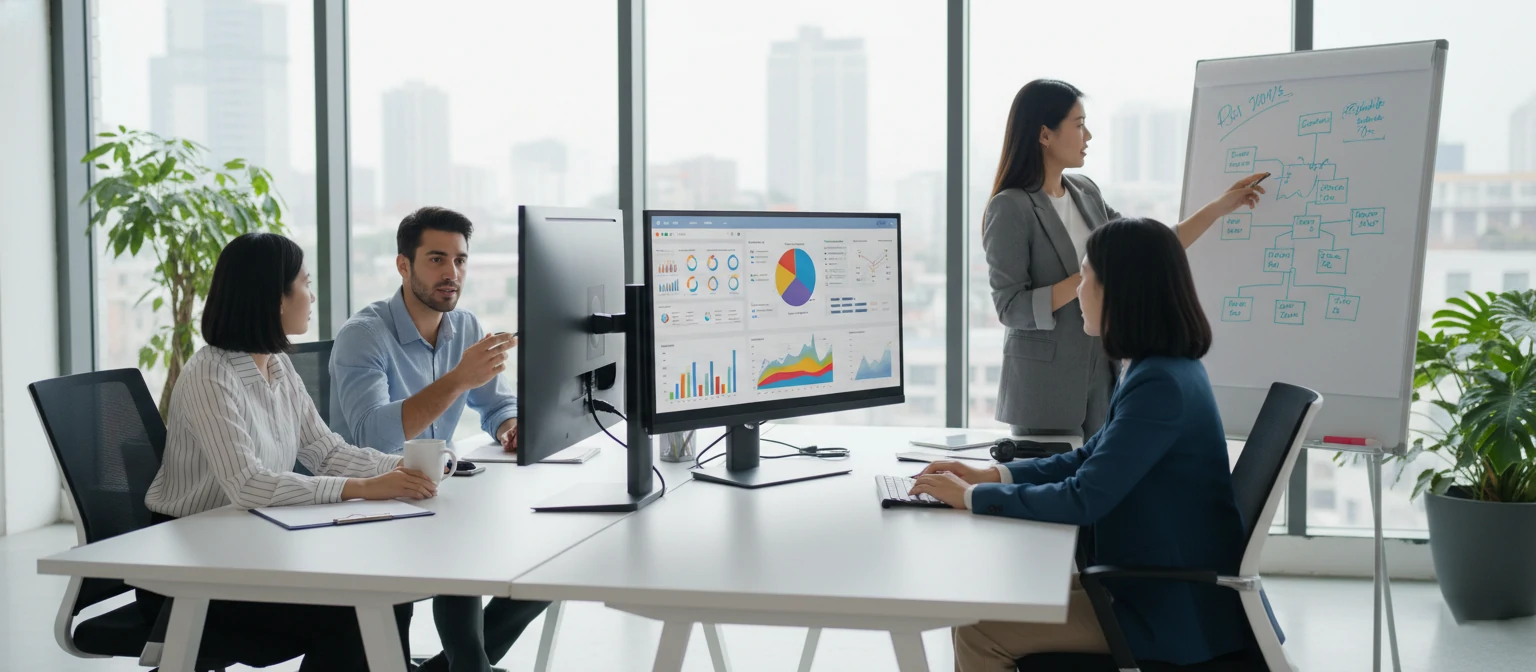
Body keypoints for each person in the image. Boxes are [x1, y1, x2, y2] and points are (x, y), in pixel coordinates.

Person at [913, 218, 1276, 670]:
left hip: (1166, 609)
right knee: (981, 604)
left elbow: (1085, 497)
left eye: (1087, 277)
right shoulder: (1159, 367)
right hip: (1151, 584)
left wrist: (971, 497)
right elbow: (1090, 458)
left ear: (1121, 291)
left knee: (979, 630)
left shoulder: (1159, 383)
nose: (1079, 290)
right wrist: (993, 474)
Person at [142, 232, 425, 672]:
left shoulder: (275, 362)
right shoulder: (210, 375)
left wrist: (406, 467)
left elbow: (325, 451)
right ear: (276, 299)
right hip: (192, 567)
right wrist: (363, 488)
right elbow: (248, 485)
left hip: (250, 545)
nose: (312, 296)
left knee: (389, 596)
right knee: (359, 610)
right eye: (305, 284)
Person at [982, 79, 1265, 438]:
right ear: (1045, 135)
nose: (1089, 135)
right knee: (1051, 486)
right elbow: (1010, 308)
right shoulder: (1010, 207)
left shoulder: (1085, 192)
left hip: (1103, 379)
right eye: (1079, 125)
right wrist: (1086, 280)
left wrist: (1219, 208)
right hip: (1043, 392)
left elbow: (1149, 246)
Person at [330, 206, 546, 672]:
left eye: (460, 260)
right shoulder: (363, 337)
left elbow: (496, 404)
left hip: (431, 497)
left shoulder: (463, 327)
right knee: (464, 554)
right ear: (403, 265)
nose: (452, 273)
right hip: (368, 502)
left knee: (544, 571)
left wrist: (510, 425)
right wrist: (457, 380)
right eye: (436, 259)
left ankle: (465, 666)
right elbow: (373, 434)